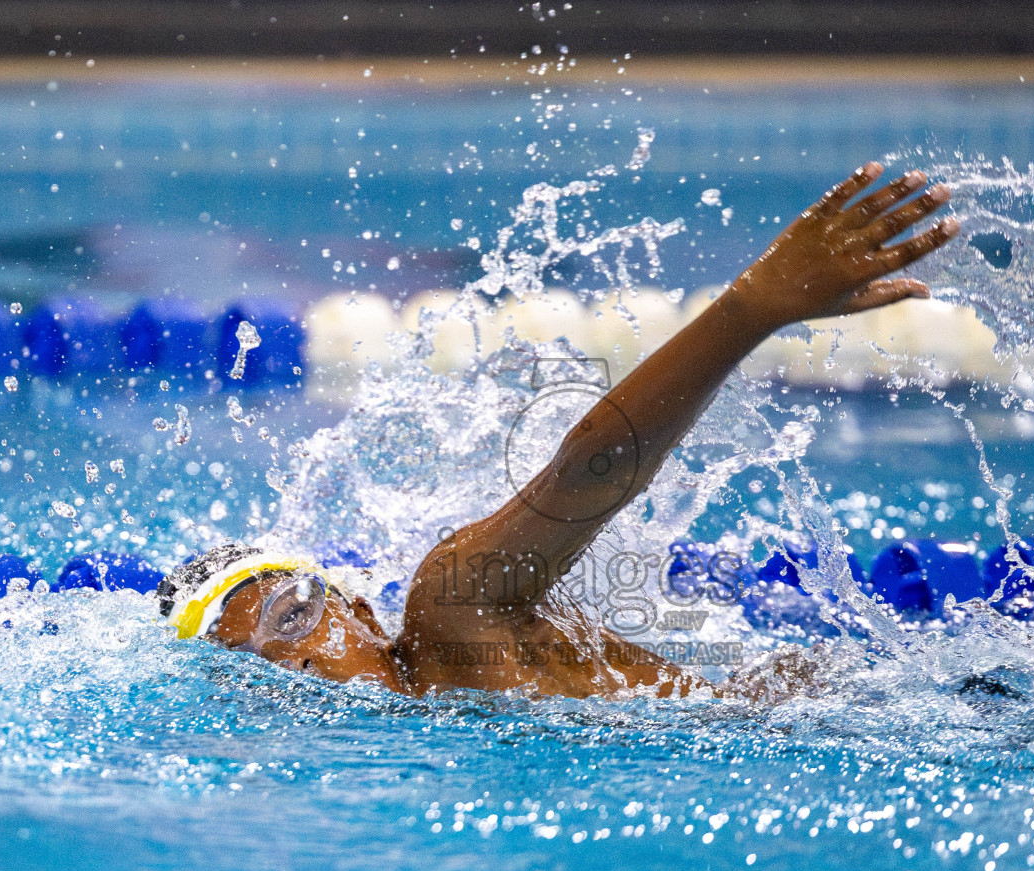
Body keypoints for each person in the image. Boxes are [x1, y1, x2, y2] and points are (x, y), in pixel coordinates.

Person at [157, 163, 958, 698]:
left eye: (292, 618)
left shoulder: (449, 612)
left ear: (359, 610)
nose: (291, 665)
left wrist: (754, 308)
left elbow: (590, 476)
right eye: (251, 671)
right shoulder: (415, 730)